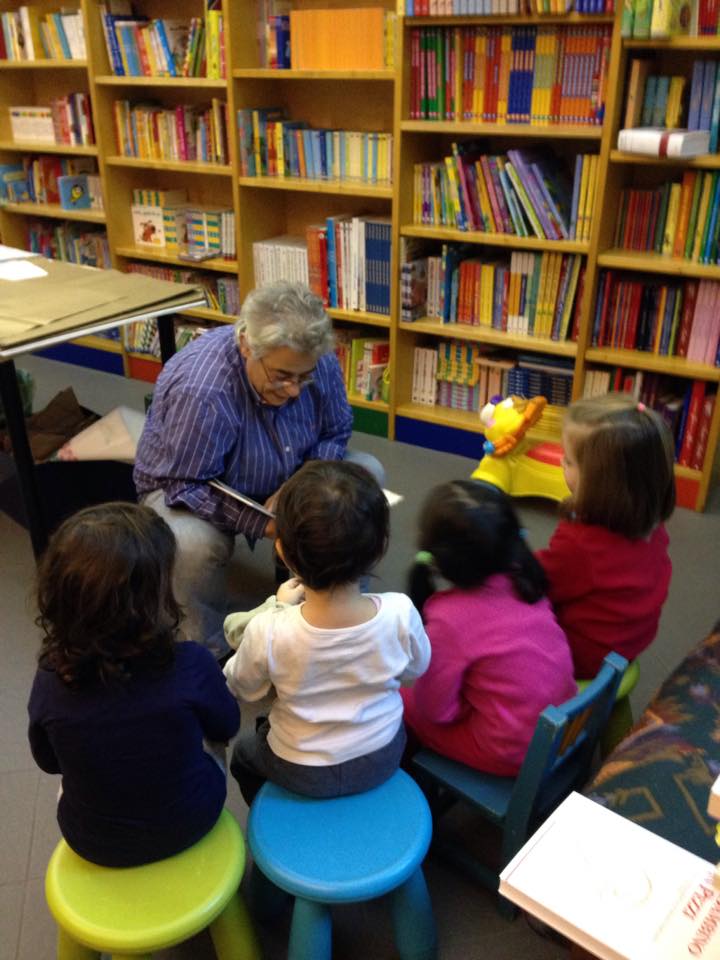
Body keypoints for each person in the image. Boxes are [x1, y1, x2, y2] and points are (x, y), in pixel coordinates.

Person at [134, 281, 383, 659]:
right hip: (194, 484)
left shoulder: (312, 357)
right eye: (283, 376)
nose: (296, 390)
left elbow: (336, 428)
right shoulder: (203, 389)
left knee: (368, 473)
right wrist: (267, 523)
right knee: (192, 544)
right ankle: (207, 652)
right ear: (247, 345)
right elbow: (185, 484)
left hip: (288, 470)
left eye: (304, 377)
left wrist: (304, 482)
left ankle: (336, 613)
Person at [27, 503, 240, 868]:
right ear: (154, 600)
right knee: (208, 740)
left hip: (92, 840)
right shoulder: (192, 663)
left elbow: (49, 762)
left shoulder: (50, 679)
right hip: (193, 819)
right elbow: (227, 726)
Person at [223, 460, 431, 804]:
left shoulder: (269, 629)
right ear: (381, 548)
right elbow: (415, 670)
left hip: (299, 767)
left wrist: (277, 607)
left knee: (246, 755)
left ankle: (279, 823)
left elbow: (241, 686)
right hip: (383, 752)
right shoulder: (401, 611)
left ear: (282, 550)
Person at [401, 480, 576, 777]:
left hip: (512, 751)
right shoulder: (526, 580)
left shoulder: (447, 617)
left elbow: (436, 712)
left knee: (397, 699)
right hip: (561, 728)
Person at [537, 393, 675, 678]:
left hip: (583, 657)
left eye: (571, 462)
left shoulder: (579, 543)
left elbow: (539, 582)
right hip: (631, 641)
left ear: (602, 483)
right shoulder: (652, 523)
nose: (562, 462)